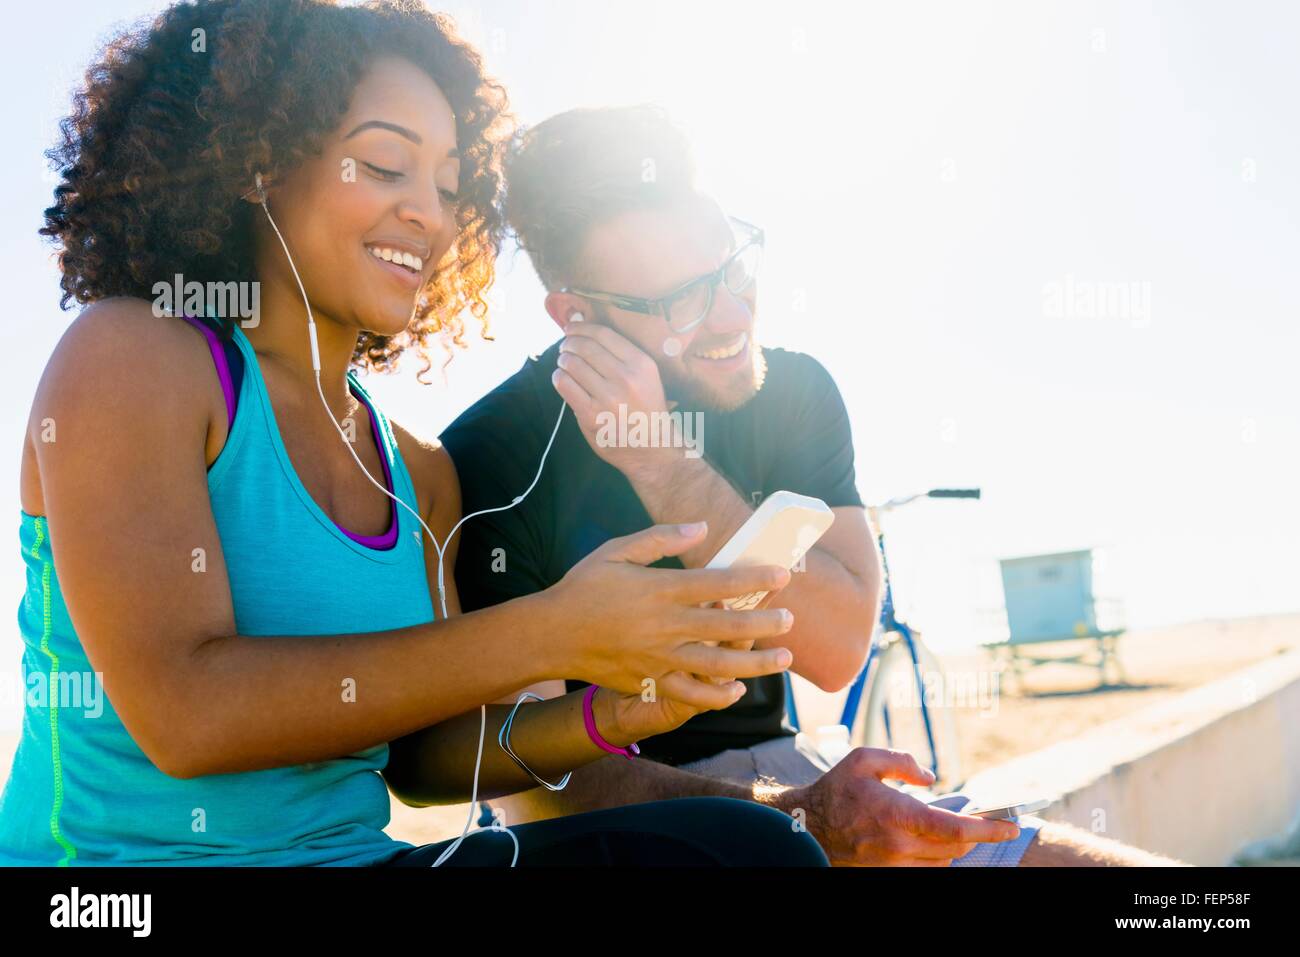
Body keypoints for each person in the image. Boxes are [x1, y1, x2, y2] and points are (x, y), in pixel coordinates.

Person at [0, 0, 826, 868]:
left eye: (449, 184)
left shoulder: (421, 471)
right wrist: (553, 630)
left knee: (751, 853)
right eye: (387, 164)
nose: (429, 214)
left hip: (363, 861)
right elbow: (184, 715)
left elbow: (425, 760)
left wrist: (612, 710)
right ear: (257, 163)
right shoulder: (134, 354)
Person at [442, 104, 1187, 867]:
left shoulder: (792, 391)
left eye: (732, 267)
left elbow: (834, 647)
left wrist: (667, 466)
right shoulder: (492, 455)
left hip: (778, 771)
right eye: (683, 301)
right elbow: (535, 778)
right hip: (607, 831)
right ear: (577, 315)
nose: (733, 313)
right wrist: (801, 817)